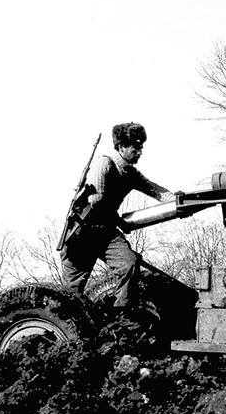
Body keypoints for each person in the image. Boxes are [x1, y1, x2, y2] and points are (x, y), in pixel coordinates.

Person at [59, 122, 174, 317]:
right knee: (72, 292)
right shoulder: (104, 164)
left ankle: (121, 315)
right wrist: (119, 221)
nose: (139, 153)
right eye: (135, 148)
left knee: (129, 264)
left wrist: (180, 201)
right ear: (121, 147)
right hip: (82, 233)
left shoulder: (129, 172)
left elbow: (156, 190)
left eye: (141, 148)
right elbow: (96, 200)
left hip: (105, 232)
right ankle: (65, 326)